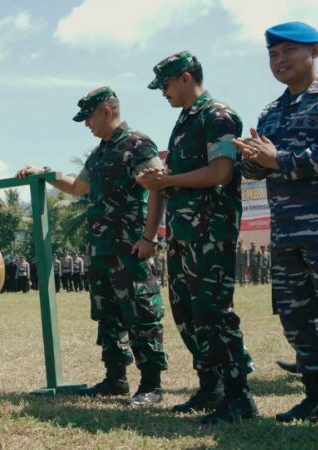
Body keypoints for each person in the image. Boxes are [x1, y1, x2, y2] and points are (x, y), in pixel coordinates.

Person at [17, 86, 167, 406]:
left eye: (89, 118)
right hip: (101, 251)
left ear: (106, 112)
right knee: (108, 317)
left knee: (141, 315)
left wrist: (150, 237)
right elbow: (77, 186)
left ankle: (151, 386)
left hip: (130, 249)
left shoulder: (137, 145)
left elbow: (158, 187)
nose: (87, 124)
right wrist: (43, 173)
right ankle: (116, 380)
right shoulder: (99, 153)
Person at [139, 51, 256, 424]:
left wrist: (167, 180)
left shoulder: (217, 116)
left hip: (211, 234)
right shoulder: (183, 123)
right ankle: (211, 388)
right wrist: (161, 183)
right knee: (187, 314)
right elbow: (176, 177)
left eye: (167, 84)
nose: (163, 92)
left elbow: (221, 172)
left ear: (186, 78)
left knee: (213, 314)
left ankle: (240, 398)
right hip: (183, 235)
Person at [234, 21, 318, 423]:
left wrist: (277, 160)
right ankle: (314, 397)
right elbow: (259, 170)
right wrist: (250, 161)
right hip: (285, 234)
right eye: (273, 54)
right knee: (296, 317)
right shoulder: (271, 112)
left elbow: (286, 162)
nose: (279, 60)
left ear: (313, 51)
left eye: (288, 51)